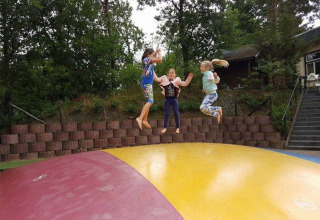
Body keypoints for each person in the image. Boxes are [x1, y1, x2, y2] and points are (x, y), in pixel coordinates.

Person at [154, 68, 193, 134]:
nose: (171, 74)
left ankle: (177, 127)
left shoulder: (177, 80)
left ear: (175, 75)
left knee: (176, 112)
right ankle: (165, 128)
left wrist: (189, 78)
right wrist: (152, 71)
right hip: (167, 100)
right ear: (168, 74)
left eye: (173, 73)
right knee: (167, 113)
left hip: (174, 100)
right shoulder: (164, 79)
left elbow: (185, 84)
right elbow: (157, 79)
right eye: (170, 73)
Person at [136, 48, 162, 130]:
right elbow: (159, 59)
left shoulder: (150, 66)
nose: (154, 56)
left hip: (147, 84)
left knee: (148, 102)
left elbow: (156, 79)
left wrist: (164, 79)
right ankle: (140, 118)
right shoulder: (146, 60)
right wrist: (159, 52)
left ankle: (145, 120)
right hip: (146, 84)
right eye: (153, 54)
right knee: (150, 101)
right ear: (148, 54)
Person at [199, 59, 229, 124]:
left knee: (202, 107)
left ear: (207, 68)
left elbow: (215, 81)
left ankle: (218, 109)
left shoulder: (208, 73)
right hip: (209, 94)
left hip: (212, 94)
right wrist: (205, 89)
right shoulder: (205, 75)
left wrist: (215, 77)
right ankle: (216, 114)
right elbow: (209, 83)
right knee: (203, 109)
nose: (200, 68)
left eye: (202, 67)